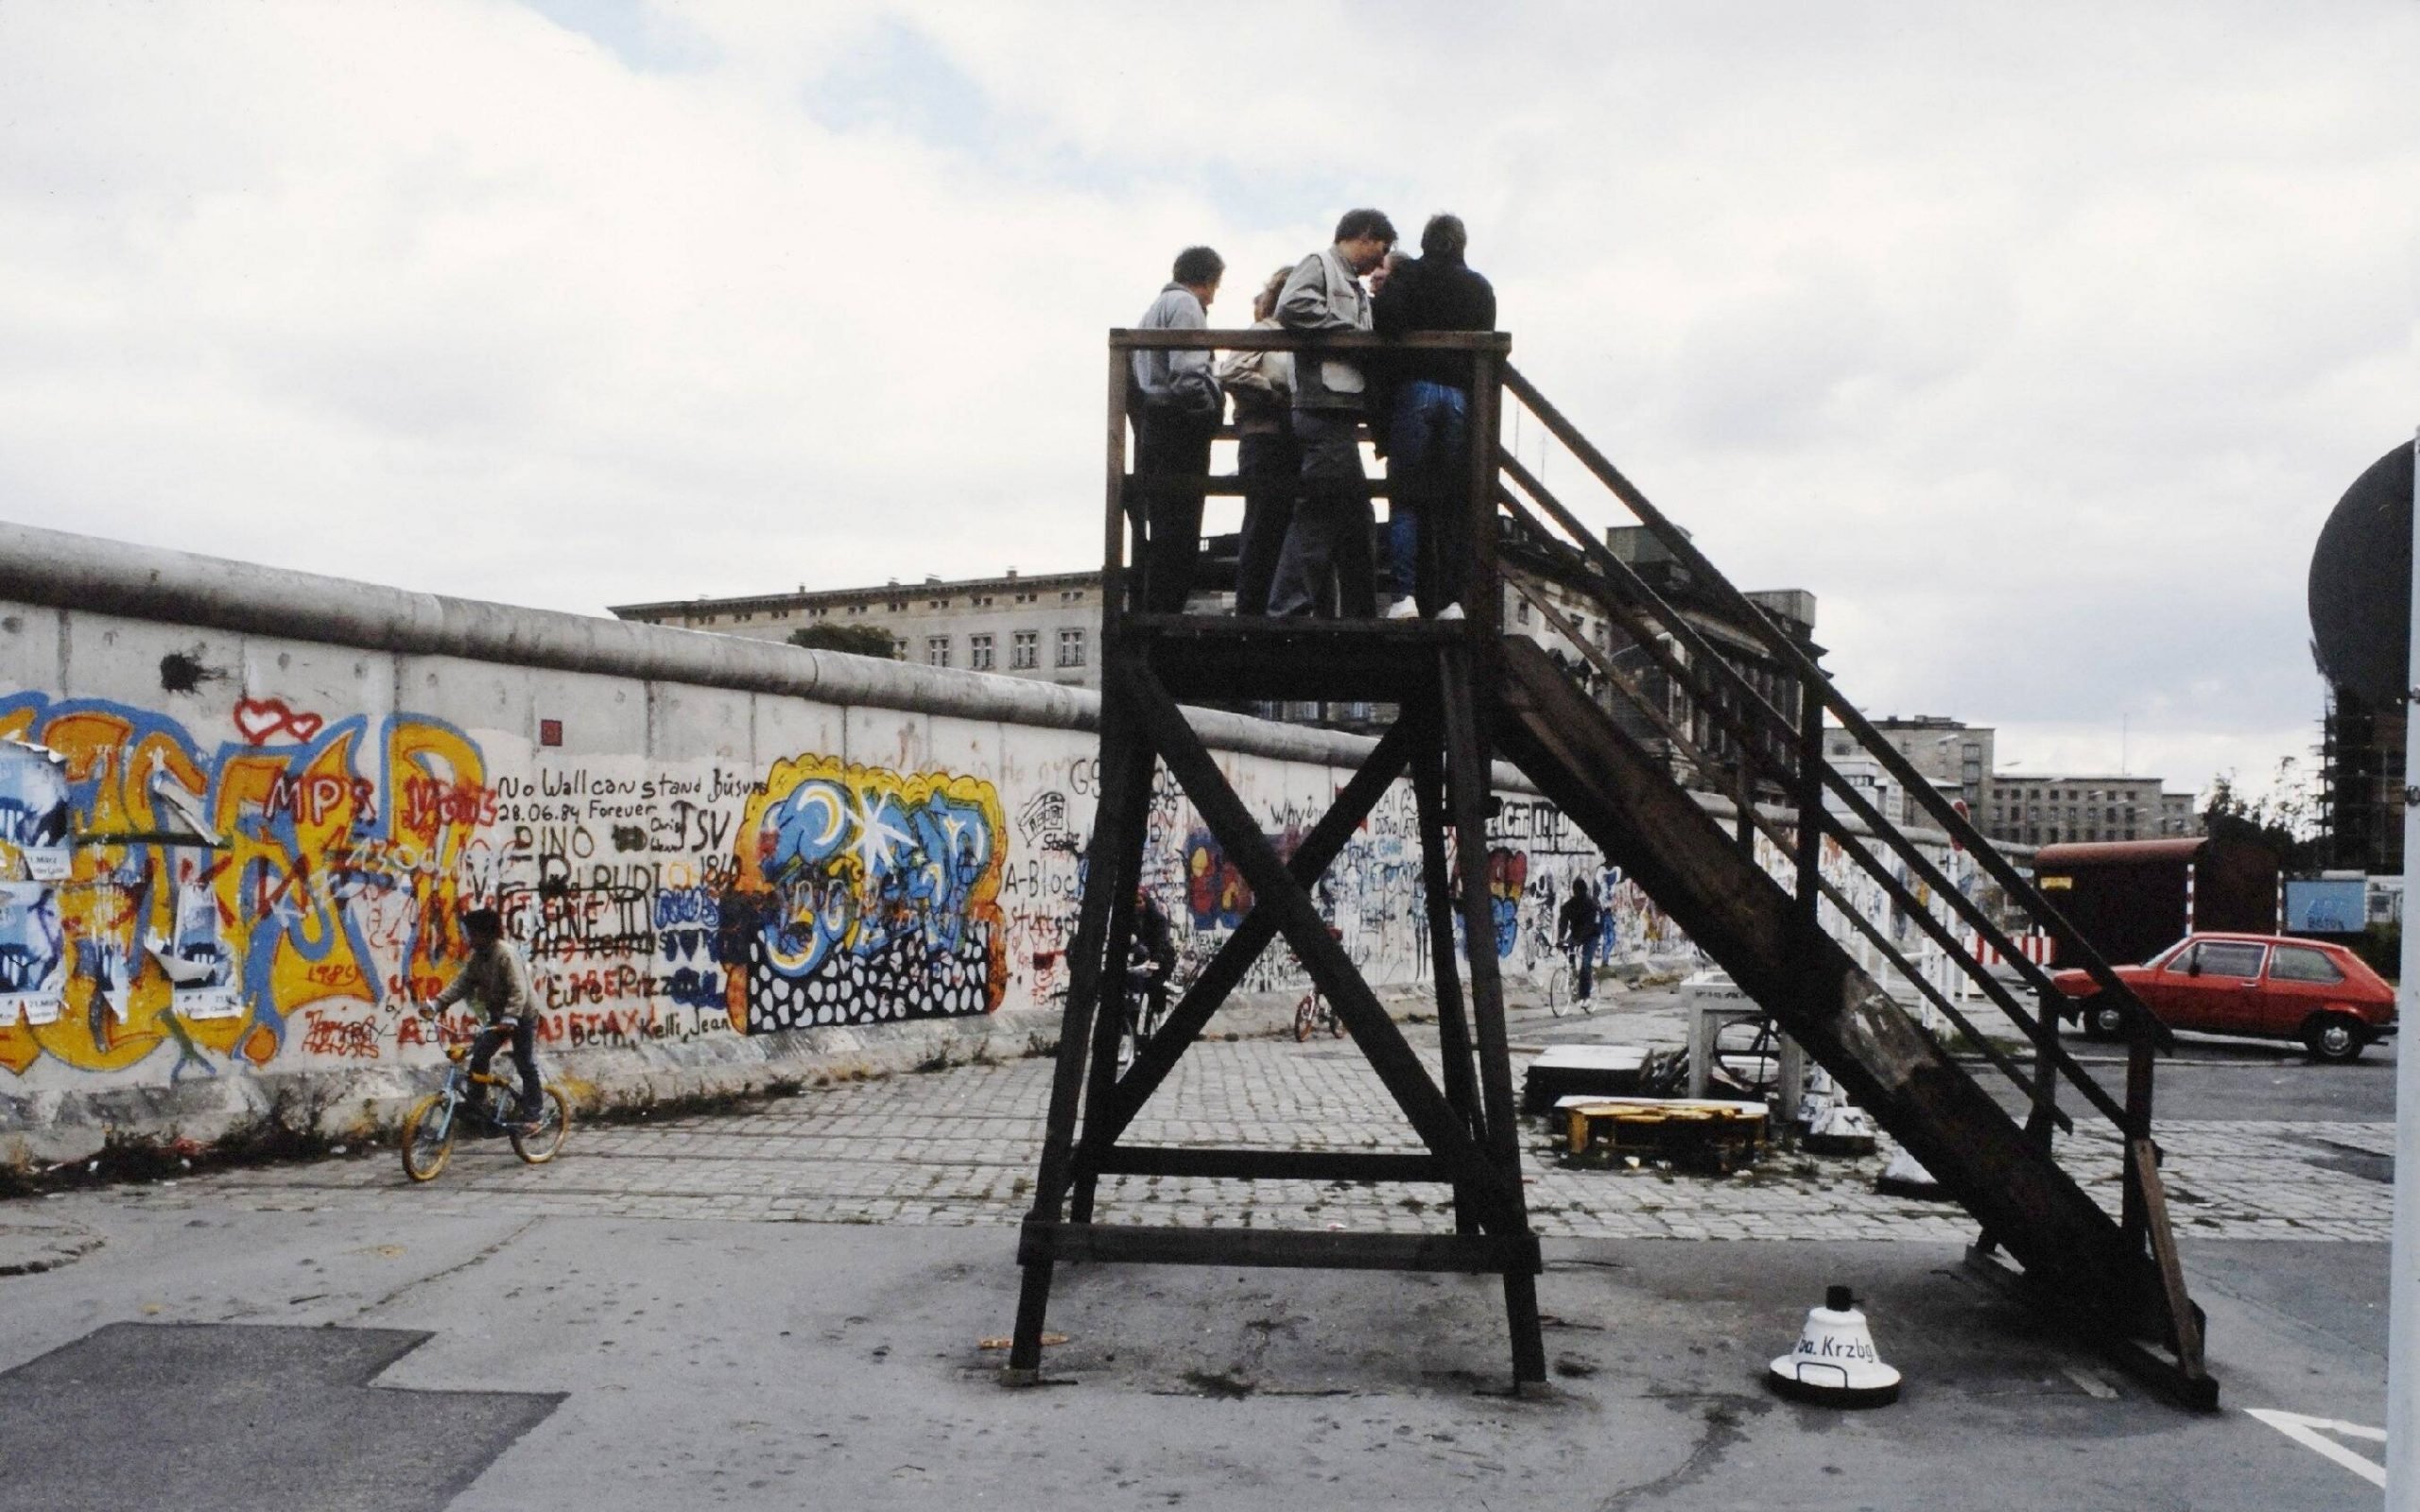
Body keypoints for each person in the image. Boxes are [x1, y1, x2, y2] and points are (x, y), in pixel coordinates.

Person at [1268, 209, 1396, 619]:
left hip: (1336, 409)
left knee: (1355, 514)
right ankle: (1288, 608)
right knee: (1321, 511)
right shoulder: (1319, 264)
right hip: (1322, 406)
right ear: (1363, 235)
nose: (1380, 261)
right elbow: (1293, 305)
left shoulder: (1350, 283)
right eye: (1381, 249)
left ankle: (1358, 611)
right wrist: (1351, 336)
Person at [1374, 213, 1495, 619]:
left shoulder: (1408, 277)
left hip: (1416, 389)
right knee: (1451, 504)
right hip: (1461, 395)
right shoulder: (1480, 287)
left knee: (1406, 498)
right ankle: (1451, 602)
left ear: (1425, 242)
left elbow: (1385, 321)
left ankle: (1405, 597)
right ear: (1461, 244)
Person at [1128, 246, 1225, 613]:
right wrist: (1206, 411)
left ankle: (1158, 610)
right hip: (1179, 425)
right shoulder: (1186, 306)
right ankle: (1167, 613)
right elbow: (1187, 375)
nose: (1212, 300)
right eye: (1215, 288)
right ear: (1208, 281)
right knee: (1182, 530)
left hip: (1156, 424)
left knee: (1165, 526)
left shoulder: (1152, 310)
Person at [1215, 268, 1297, 616]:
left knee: (1287, 526)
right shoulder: (1266, 332)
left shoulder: (1297, 336)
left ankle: (1277, 608)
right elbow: (1232, 370)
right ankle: (1251, 611)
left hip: (1290, 440)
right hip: (1264, 437)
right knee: (1263, 526)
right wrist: (1274, 392)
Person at [428, 906, 544, 1125]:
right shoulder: (478, 957)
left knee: (525, 1062)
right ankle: (477, 1103)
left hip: (522, 1015)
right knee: (480, 1056)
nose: (468, 938)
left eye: (472, 933)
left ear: (486, 933)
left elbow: (519, 990)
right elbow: (462, 983)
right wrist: (437, 1004)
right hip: (499, 1016)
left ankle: (534, 1113)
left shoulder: (505, 954)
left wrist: (511, 1018)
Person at [1130, 885, 1179, 1033]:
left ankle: (1161, 1014)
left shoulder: (1158, 920)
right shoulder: (1131, 919)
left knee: (1155, 984)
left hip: (1160, 958)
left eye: (1139, 902)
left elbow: (1161, 943)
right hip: (1139, 958)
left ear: (1146, 901)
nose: (1137, 906)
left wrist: (1155, 960)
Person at [1556, 877, 1602, 1003]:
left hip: (1592, 935)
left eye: (1580, 891)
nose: (1578, 894)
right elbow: (1563, 923)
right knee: (1568, 949)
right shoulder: (1569, 906)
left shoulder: (1591, 905)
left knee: (1586, 963)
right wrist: (1560, 938)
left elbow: (1589, 926)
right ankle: (1573, 972)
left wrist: (1577, 941)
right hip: (1576, 934)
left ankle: (1585, 996)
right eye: (1576, 891)